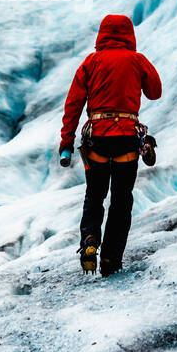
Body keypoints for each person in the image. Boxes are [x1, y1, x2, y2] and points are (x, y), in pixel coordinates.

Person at [59, 14, 162, 277]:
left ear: (102, 34)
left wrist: (66, 142)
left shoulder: (91, 62)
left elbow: (73, 104)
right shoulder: (136, 60)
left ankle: (90, 242)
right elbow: (155, 91)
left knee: (94, 196)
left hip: (97, 139)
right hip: (127, 137)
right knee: (121, 200)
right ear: (129, 34)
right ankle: (111, 260)